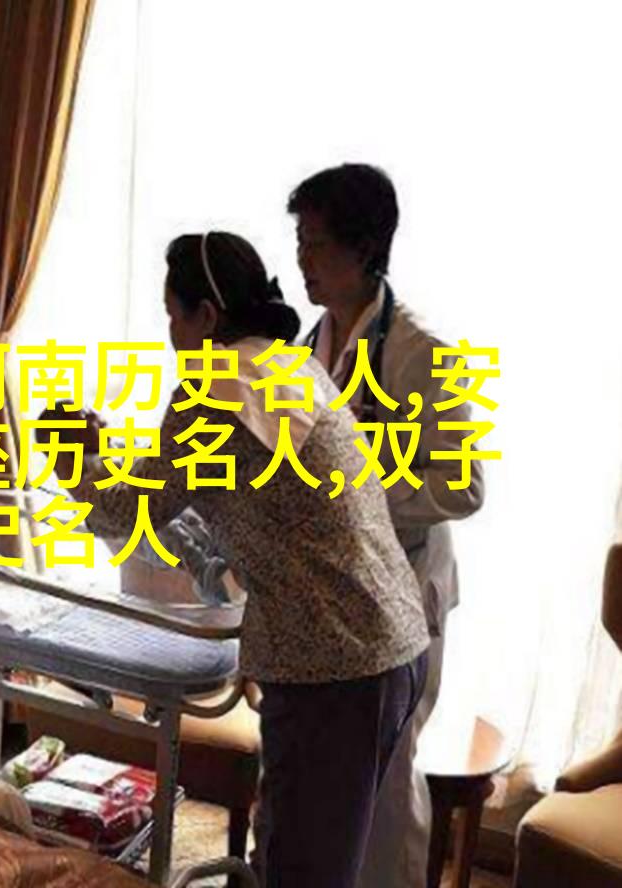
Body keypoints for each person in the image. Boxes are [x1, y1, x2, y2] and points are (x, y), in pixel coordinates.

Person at [43, 231, 429, 887]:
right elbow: (225, 491)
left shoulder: (214, 386)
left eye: (173, 316)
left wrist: (74, 456)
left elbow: (131, 510)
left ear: (206, 316)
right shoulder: (288, 366)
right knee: (299, 849)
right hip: (384, 644)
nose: (171, 333)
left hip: (333, 663)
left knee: (302, 868)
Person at [289, 163, 485, 888]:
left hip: (402, 588)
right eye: (299, 241)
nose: (302, 259)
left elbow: (463, 485)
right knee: (328, 777)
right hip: (334, 590)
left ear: (366, 247)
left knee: (386, 779)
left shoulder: (421, 352)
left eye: (316, 243)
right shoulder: (308, 345)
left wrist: (364, 494)